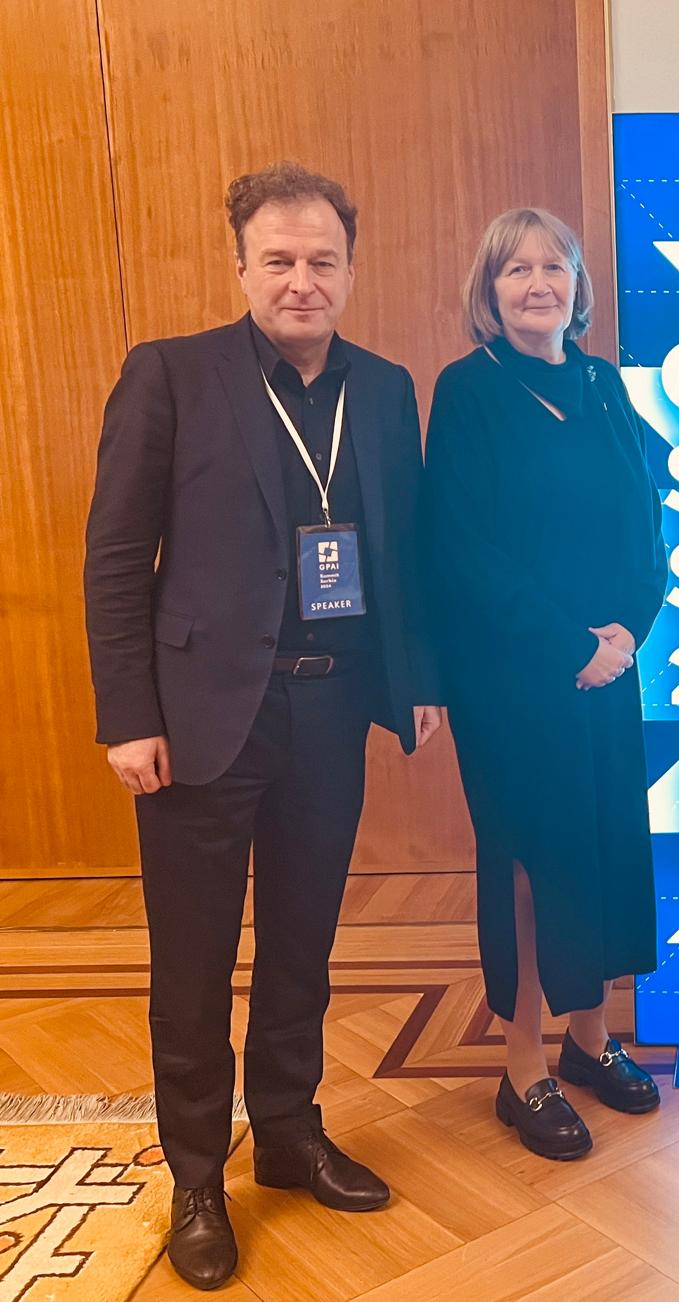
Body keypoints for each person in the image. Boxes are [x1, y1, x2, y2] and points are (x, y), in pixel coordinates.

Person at [83, 161, 442, 1289]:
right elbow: (114, 557)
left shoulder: (383, 388)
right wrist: (128, 716)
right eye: (278, 260)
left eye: (322, 261)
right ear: (240, 266)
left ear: (350, 269)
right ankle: (197, 1175)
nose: (301, 281)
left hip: (330, 707)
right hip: (197, 721)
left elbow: (405, 551)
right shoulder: (171, 375)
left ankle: (288, 1132)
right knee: (191, 962)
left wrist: (417, 678)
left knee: (302, 943)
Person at [424, 208, 668, 1161]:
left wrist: (630, 630)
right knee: (530, 864)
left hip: (607, 669)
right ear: (490, 291)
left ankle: (590, 1041)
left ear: (578, 284)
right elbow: (460, 549)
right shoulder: (468, 389)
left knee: (600, 848)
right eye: (516, 269)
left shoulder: (605, 384)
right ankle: (521, 1065)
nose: (538, 284)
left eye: (554, 266)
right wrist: (569, 644)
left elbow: (648, 521)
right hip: (515, 676)